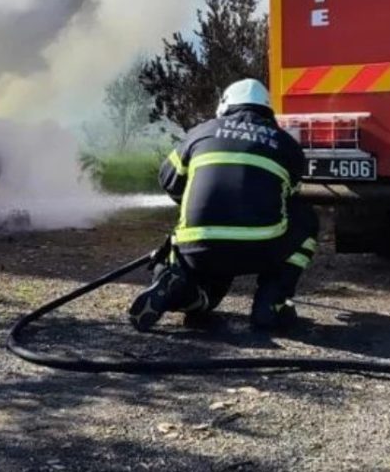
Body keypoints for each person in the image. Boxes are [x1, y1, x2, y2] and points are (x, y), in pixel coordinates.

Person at [128, 79, 318, 332]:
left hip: (199, 247)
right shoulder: (287, 145)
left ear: (225, 105)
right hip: (259, 250)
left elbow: (168, 179)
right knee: (307, 218)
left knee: (204, 284)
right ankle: (271, 304)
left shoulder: (201, 132)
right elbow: (290, 198)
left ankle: (177, 286)